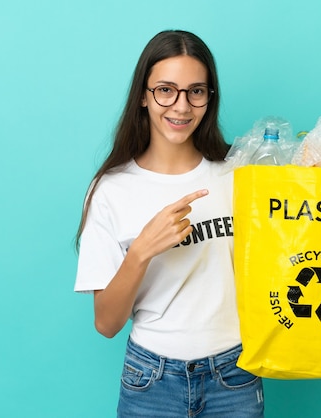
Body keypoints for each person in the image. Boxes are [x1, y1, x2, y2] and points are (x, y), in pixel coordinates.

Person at [74, 30, 264, 417]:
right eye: (165, 90)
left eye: (196, 91)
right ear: (143, 95)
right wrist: (142, 249)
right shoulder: (110, 190)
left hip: (234, 376)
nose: (181, 106)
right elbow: (107, 323)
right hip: (151, 381)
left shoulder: (239, 174)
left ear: (209, 98)